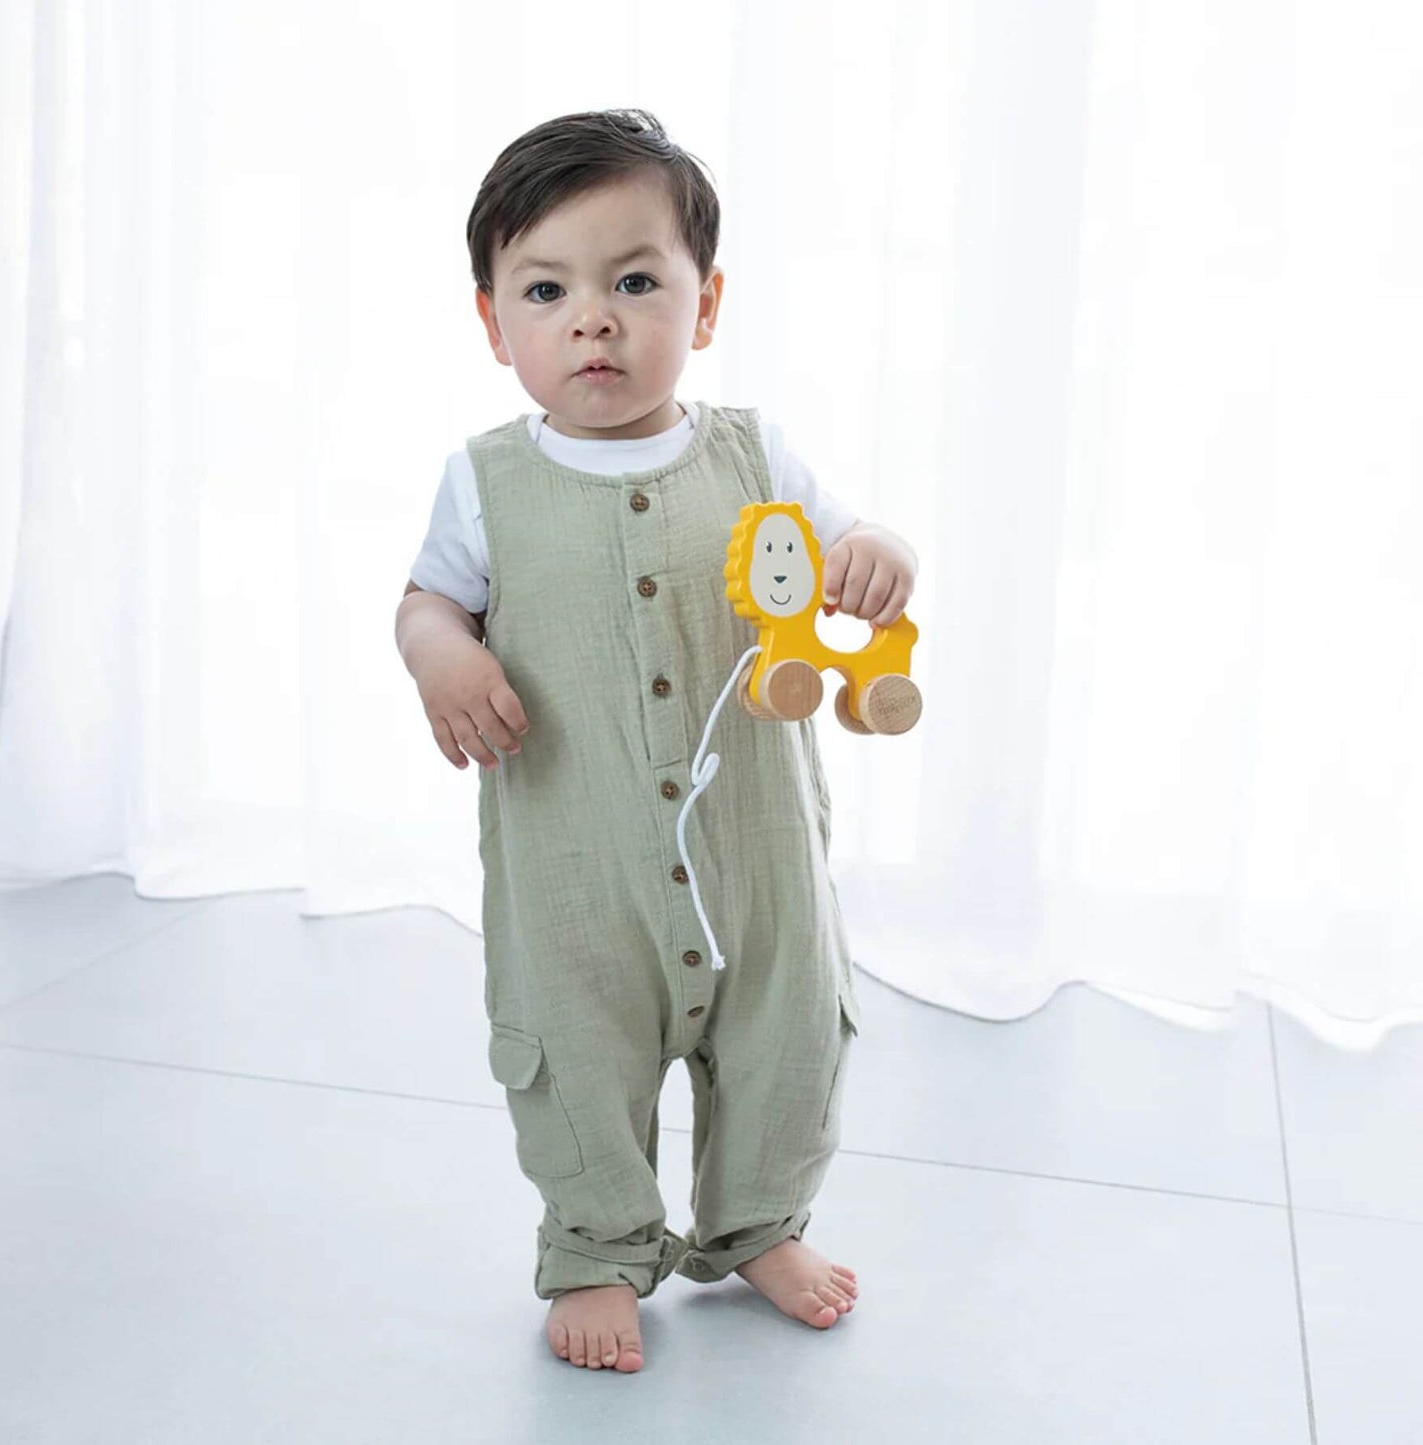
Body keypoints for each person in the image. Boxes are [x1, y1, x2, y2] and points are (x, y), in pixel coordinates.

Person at [394, 109, 917, 1375]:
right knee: (576, 1052)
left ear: (705, 299)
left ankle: (756, 1222)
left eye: (635, 281)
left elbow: (863, 544)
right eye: (546, 287)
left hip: (757, 861)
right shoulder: (484, 483)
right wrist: (443, 652)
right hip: (575, 871)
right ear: (492, 321)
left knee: (786, 1041)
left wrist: (875, 561)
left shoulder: (755, 453)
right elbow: (425, 602)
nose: (594, 317)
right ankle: (593, 1240)